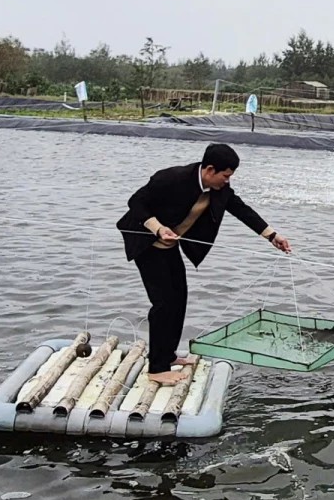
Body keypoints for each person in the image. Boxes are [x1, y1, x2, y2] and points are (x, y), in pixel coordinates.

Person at [117, 143, 292, 386]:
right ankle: (157, 368)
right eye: (225, 175)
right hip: (146, 242)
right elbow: (135, 202)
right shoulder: (172, 178)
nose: (227, 181)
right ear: (210, 170)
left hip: (169, 245)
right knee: (163, 303)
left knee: (179, 298)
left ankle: (168, 355)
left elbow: (241, 210)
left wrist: (272, 236)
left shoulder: (219, 189)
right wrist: (158, 228)